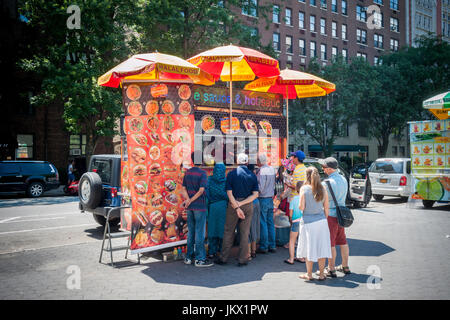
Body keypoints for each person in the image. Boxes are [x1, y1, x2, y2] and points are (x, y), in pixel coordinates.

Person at [215, 153, 259, 267]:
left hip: (233, 205)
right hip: (248, 205)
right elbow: (255, 194)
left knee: (229, 231)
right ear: (247, 162)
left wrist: (237, 206)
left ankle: (223, 258)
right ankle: (243, 259)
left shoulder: (231, 174)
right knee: (245, 233)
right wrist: (242, 203)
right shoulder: (252, 175)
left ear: (237, 161)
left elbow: (229, 193)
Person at [297, 167, 332, 281]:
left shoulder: (304, 188)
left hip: (308, 223)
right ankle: (321, 274)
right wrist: (322, 219)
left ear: (306, 176)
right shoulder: (323, 188)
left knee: (309, 248)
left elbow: (301, 207)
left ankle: (309, 274)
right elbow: (326, 209)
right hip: (322, 222)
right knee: (322, 248)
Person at [319, 157, 351, 278]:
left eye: (324, 167)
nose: (323, 169)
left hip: (330, 215)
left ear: (329, 169)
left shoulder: (326, 183)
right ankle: (345, 266)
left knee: (330, 243)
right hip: (342, 214)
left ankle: (331, 268)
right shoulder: (344, 179)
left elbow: (321, 200)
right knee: (343, 241)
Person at [181, 151, 213, 267]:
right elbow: (201, 191)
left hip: (190, 207)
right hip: (199, 206)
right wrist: (191, 200)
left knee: (191, 232)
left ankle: (189, 257)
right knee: (199, 233)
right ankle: (200, 259)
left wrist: (188, 200)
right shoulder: (203, 173)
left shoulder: (187, 173)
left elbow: (183, 189)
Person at [206, 163, 228, 259]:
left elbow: (207, 195)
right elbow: (228, 195)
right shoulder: (226, 181)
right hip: (223, 207)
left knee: (212, 229)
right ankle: (220, 250)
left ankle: (211, 251)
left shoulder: (209, 180)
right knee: (221, 229)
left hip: (212, 207)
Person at [256, 153, 276, 254]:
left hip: (262, 198)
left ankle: (264, 246)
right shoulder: (272, 169)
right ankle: (272, 245)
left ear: (259, 161)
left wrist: (254, 192)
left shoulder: (261, 171)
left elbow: (261, 188)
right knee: (270, 222)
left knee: (263, 222)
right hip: (270, 198)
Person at [284, 181, 306, 265]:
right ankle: (302, 257)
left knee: (292, 241)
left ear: (296, 189)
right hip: (304, 221)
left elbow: (290, 213)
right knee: (302, 240)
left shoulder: (294, 199)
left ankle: (291, 259)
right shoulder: (306, 199)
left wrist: (291, 220)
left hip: (295, 221)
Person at [247, 163, 260, 260]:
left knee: (247, 228)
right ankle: (254, 251)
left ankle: (248, 252)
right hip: (256, 202)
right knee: (254, 226)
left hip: (249, 202)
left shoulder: (246, 177)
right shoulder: (255, 177)